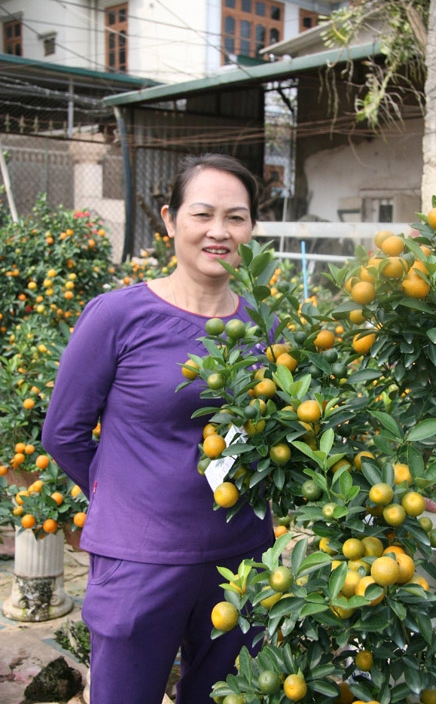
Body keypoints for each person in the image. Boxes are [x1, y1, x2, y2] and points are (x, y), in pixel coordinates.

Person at [42, 153, 274, 704]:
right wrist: (123, 496)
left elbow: (290, 431)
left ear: (252, 229)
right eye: (203, 214)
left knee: (227, 696)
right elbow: (63, 431)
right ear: (170, 221)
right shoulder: (118, 316)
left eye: (236, 217)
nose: (219, 231)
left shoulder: (265, 324)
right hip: (139, 564)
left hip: (240, 556)